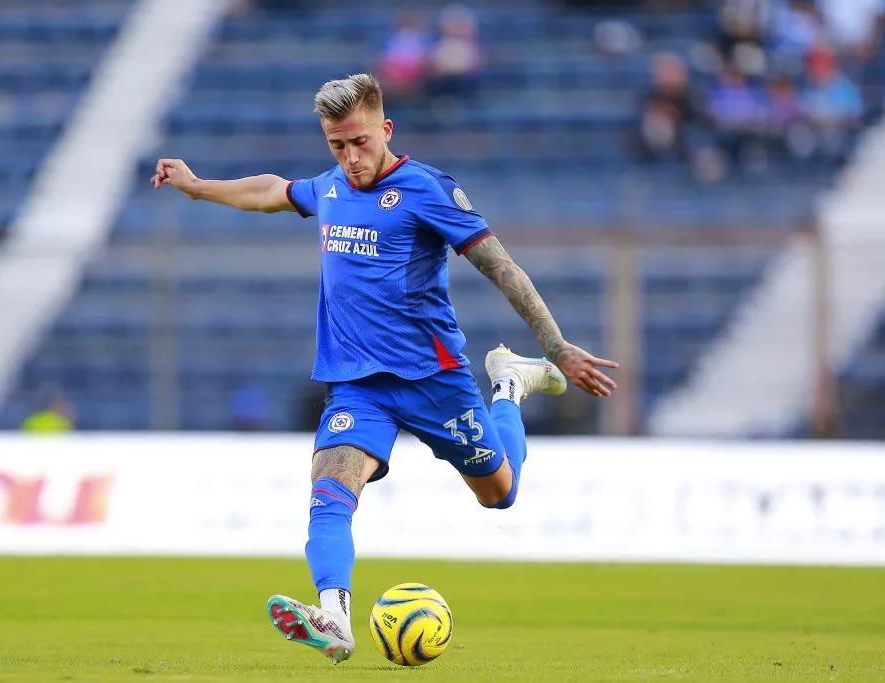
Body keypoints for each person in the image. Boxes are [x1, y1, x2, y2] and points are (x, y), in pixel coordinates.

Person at [151, 73, 618, 665]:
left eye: (360, 142)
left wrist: (556, 347)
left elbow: (503, 269)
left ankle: (507, 383)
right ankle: (336, 618)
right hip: (357, 385)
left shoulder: (427, 189)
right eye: (336, 146)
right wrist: (196, 188)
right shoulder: (329, 189)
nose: (350, 158)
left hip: (433, 380)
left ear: (386, 129)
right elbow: (269, 190)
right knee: (329, 489)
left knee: (499, 495)